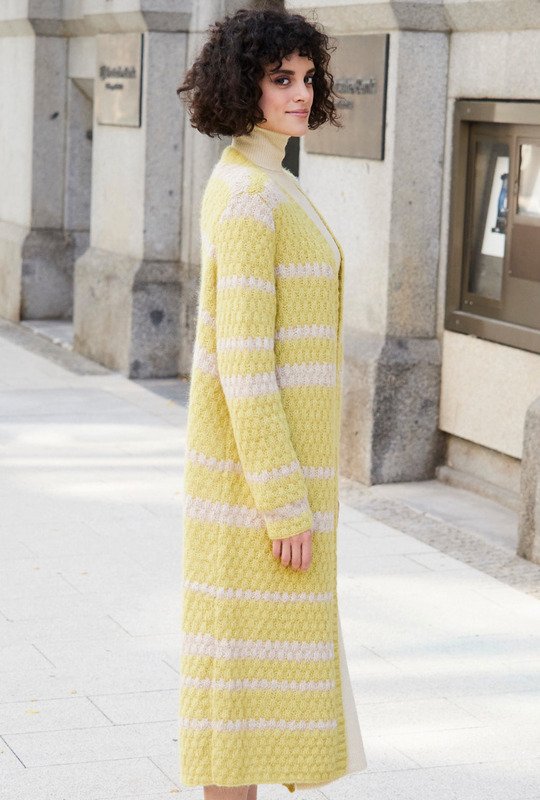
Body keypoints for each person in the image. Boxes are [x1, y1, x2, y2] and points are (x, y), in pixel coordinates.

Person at [176, 7, 367, 799]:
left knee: (252, 710)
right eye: (279, 78)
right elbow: (244, 363)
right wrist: (285, 505)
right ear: (241, 86)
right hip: (255, 497)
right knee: (240, 712)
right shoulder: (250, 195)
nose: (300, 92)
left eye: (308, 77)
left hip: (264, 487)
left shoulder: (267, 180)